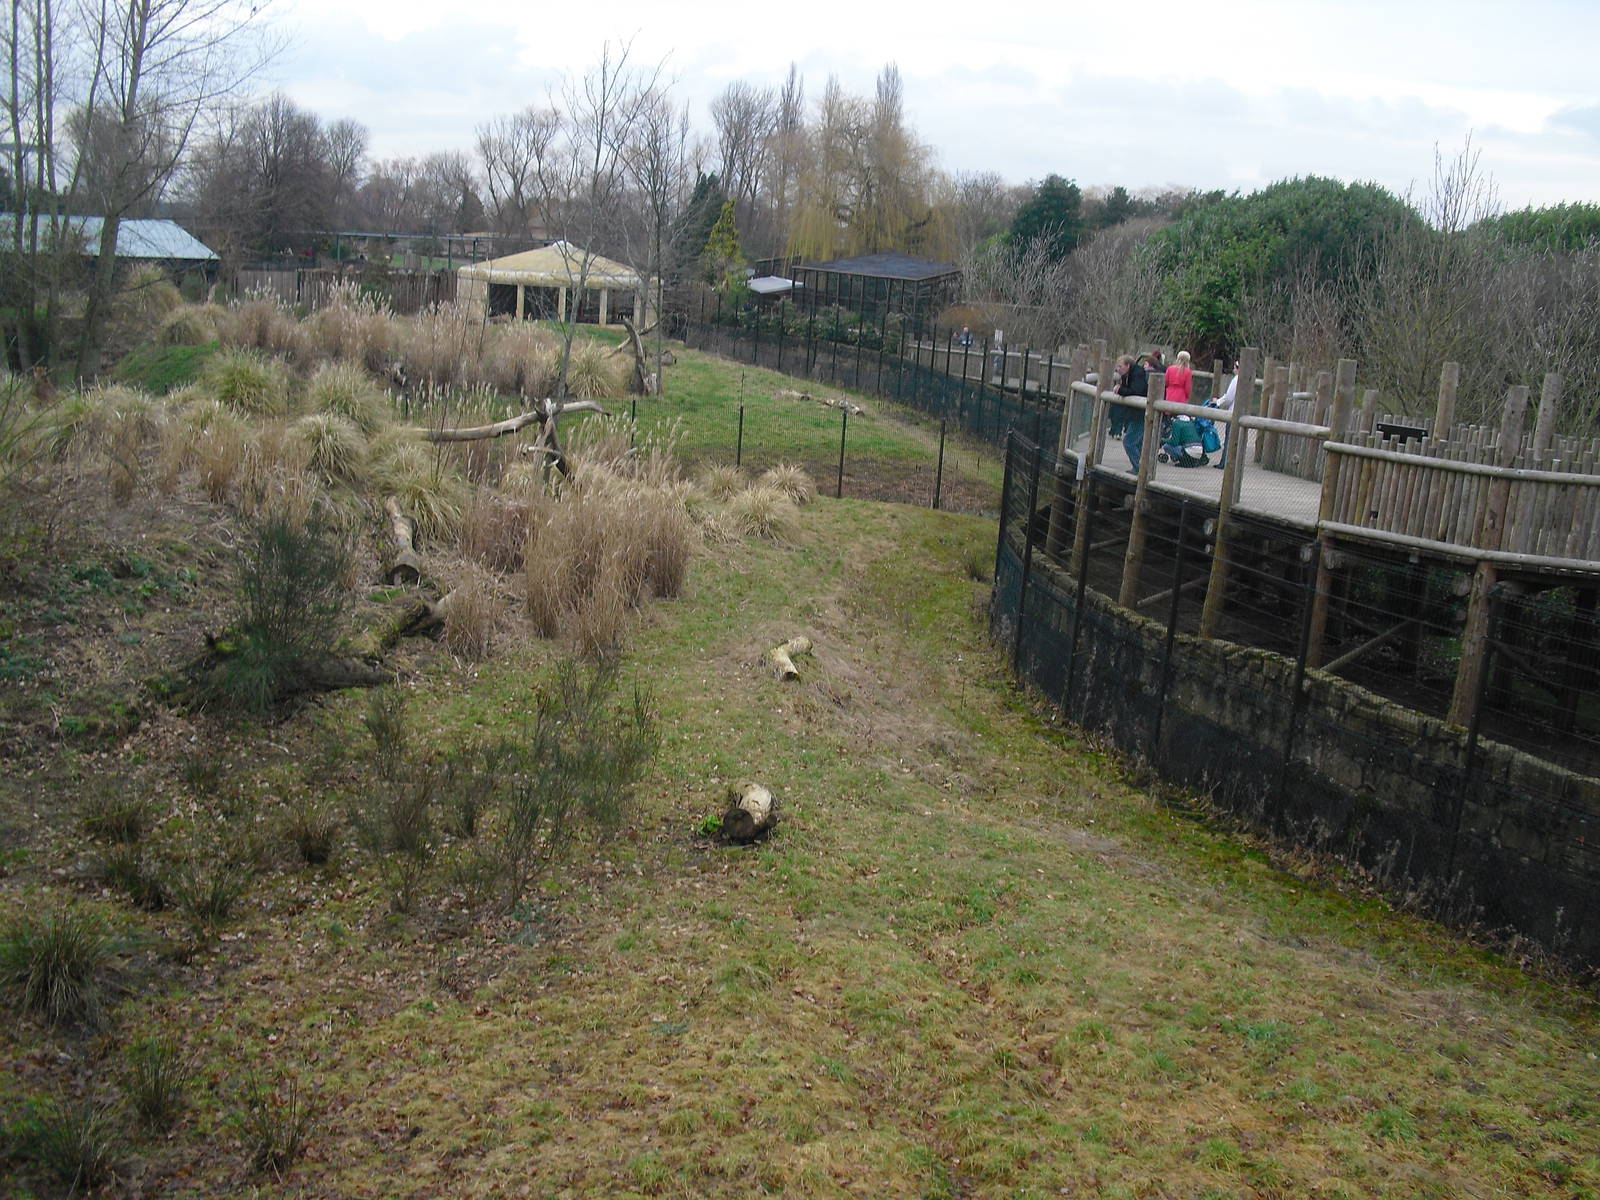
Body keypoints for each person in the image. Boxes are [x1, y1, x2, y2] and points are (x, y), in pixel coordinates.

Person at [1113, 354, 1148, 472]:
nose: (1118, 369)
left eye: (1120, 366)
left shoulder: (1138, 374)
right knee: (1136, 443)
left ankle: (1139, 469)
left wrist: (1120, 390)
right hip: (1134, 413)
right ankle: (1139, 467)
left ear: (1128, 366)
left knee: (1129, 442)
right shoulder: (1126, 375)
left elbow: (1136, 391)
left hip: (1142, 413)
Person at [1209, 360, 1239, 468]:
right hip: (1241, 413)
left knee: (1229, 438)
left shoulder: (1236, 380)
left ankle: (1225, 462)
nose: (1234, 369)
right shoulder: (1246, 381)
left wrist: (1217, 402)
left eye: (1235, 367)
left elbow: (1229, 397)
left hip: (1233, 413)